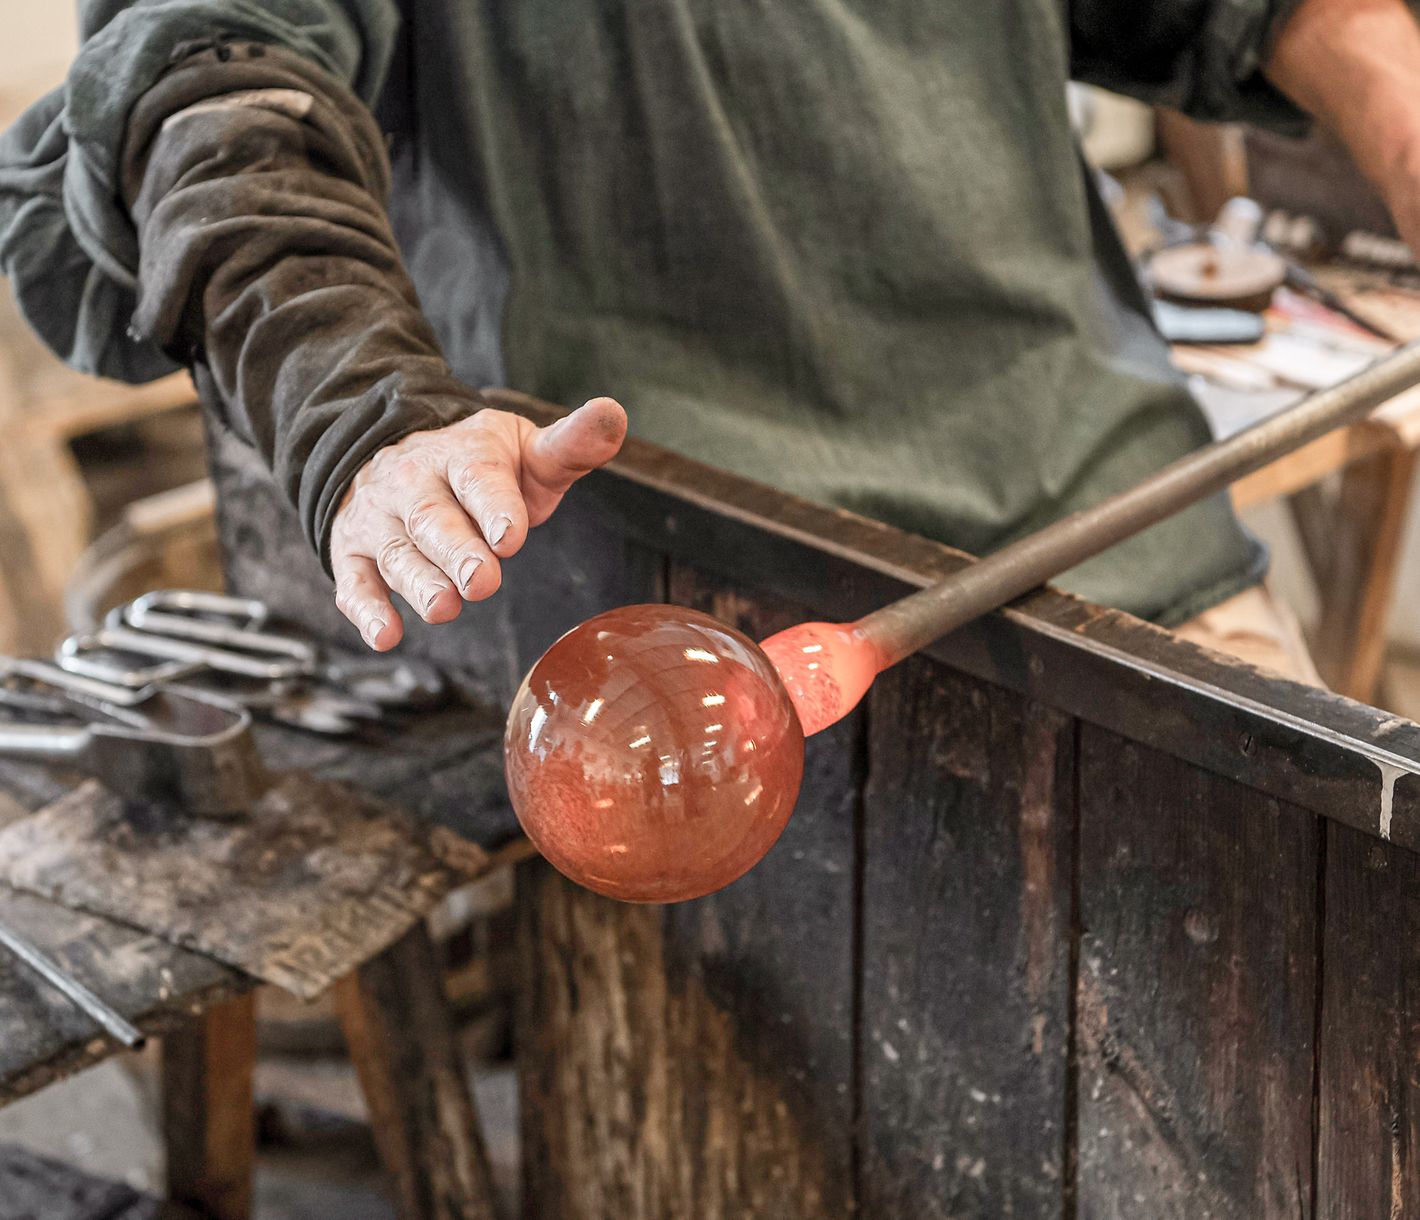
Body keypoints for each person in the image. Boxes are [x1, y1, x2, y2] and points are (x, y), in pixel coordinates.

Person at [0, 0, 1410, 685]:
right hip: (691, 633)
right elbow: (217, 100)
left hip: (1117, 555)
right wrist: (365, 417)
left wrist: (1401, 121)